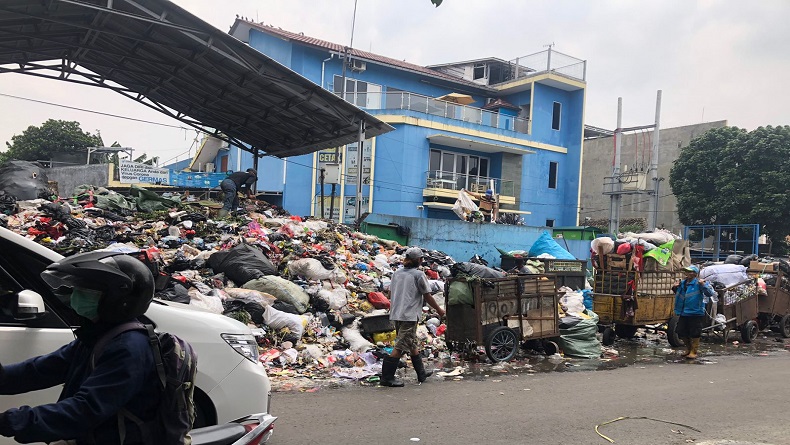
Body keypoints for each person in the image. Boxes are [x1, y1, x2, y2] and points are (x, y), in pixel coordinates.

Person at [0, 251, 162, 444]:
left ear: (119, 300)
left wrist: (10, 421)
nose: (75, 295)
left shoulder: (129, 348)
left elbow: (85, 409)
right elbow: (39, 370)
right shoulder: (97, 336)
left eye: (85, 291)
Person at [381, 247, 446, 387]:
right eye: (421, 259)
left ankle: (421, 373)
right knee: (401, 345)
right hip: (409, 315)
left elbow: (390, 294)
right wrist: (440, 310)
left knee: (411, 342)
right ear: (418, 260)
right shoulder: (418, 275)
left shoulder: (396, 273)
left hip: (396, 313)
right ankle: (387, 377)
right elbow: (427, 296)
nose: (422, 261)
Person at [672, 265, 715, 360]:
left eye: (693, 272)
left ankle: (694, 351)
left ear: (696, 274)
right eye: (688, 271)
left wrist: (703, 285)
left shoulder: (699, 283)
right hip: (683, 312)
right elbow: (678, 293)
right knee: (681, 331)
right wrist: (674, 287)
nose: (690, 273)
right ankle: (688, 349)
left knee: (695, 332)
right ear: (685, 273)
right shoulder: (682, 283)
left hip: (696, 312)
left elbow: (710, 293)